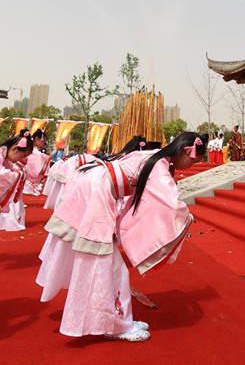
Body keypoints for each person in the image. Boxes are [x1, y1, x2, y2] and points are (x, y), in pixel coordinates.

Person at [36, 132, 204, 342]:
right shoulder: (158, 165)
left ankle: (110, 319)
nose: (192, 165)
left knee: (105, 261)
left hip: (92, 183)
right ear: (184, 152)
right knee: (108, 264)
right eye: (194, 160)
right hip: (98, 190)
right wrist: (186, 216)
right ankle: (114, 324)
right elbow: (170, 201)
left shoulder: (154, 156)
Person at [0, 131, 34, 231]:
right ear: (14, 149)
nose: (22, 159)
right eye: (23, 156)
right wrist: (17, 175)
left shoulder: (3, 155)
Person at [23, 129, 51, 196]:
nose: (43, 142)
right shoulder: (35, 153)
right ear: (36, 139)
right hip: (27, 183)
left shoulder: (35, 152)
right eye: (42, 141)